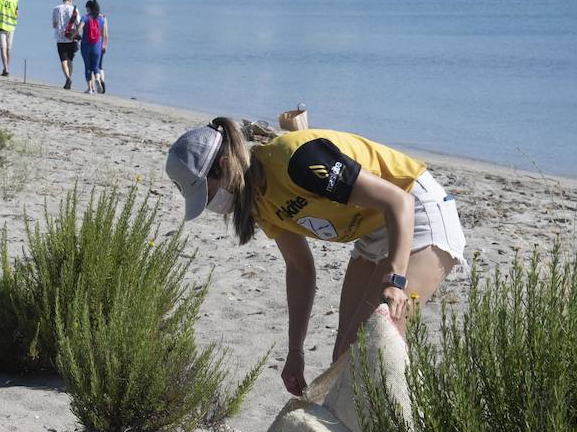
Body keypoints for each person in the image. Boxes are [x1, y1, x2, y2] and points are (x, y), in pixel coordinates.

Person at [165, 121, 468, 395]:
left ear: (223, 164)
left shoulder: (295, 159)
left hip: (416, 211)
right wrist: (296, 351)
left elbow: (398, 201)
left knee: (368, 355)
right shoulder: (258, 202)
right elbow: (299, 268)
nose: (209, 205)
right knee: (343, 360)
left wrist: (395, 278)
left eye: (206, 194)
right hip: (374, 232)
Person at [77, 0, 108, 94]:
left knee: (87, 66)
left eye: (87, 8)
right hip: (97, 45)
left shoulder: (85, 18)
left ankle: (90, 89)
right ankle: (98, 78)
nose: (86, 10)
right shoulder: (103, 18)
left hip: (86, 45)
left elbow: (78, 30)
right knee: (96, 66)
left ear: (89, 8)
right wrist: (104, 46)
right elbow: (105, 35)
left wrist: (73, 35)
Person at [51, 0, 79, 90]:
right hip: (71, 38)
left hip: (60, 38)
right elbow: (78, 23)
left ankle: (68, 79)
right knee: (70, 60)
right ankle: (69, 79)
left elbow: (54, 25)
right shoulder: (74, 9)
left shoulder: (56, 9)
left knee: (63, 59)